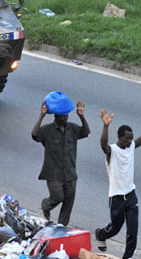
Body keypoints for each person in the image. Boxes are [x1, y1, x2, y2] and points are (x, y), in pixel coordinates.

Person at [94, 98, 141, 259]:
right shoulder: (111, 150)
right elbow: (103, 144)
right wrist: (105, 126)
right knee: (115, 228)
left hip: (131, 194)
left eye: (131, 138)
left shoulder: (131, 146)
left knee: (133, 232)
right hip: (117, 196)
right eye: (127, 138)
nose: (130, 141)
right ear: (119, 137)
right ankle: (100, 234)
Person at [31, 94, 90, 226]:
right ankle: (46, 205)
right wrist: (42, 115)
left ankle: (62, 227)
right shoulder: (47, 130)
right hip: (53, 173)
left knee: (68, 203)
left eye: (66, 116)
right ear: (56, 116)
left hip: (70, 173)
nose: (65, 118)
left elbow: (86, 131)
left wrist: (81, 116)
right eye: (62, 116)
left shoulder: (73, 128)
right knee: (58, 197)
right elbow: (35, 135)